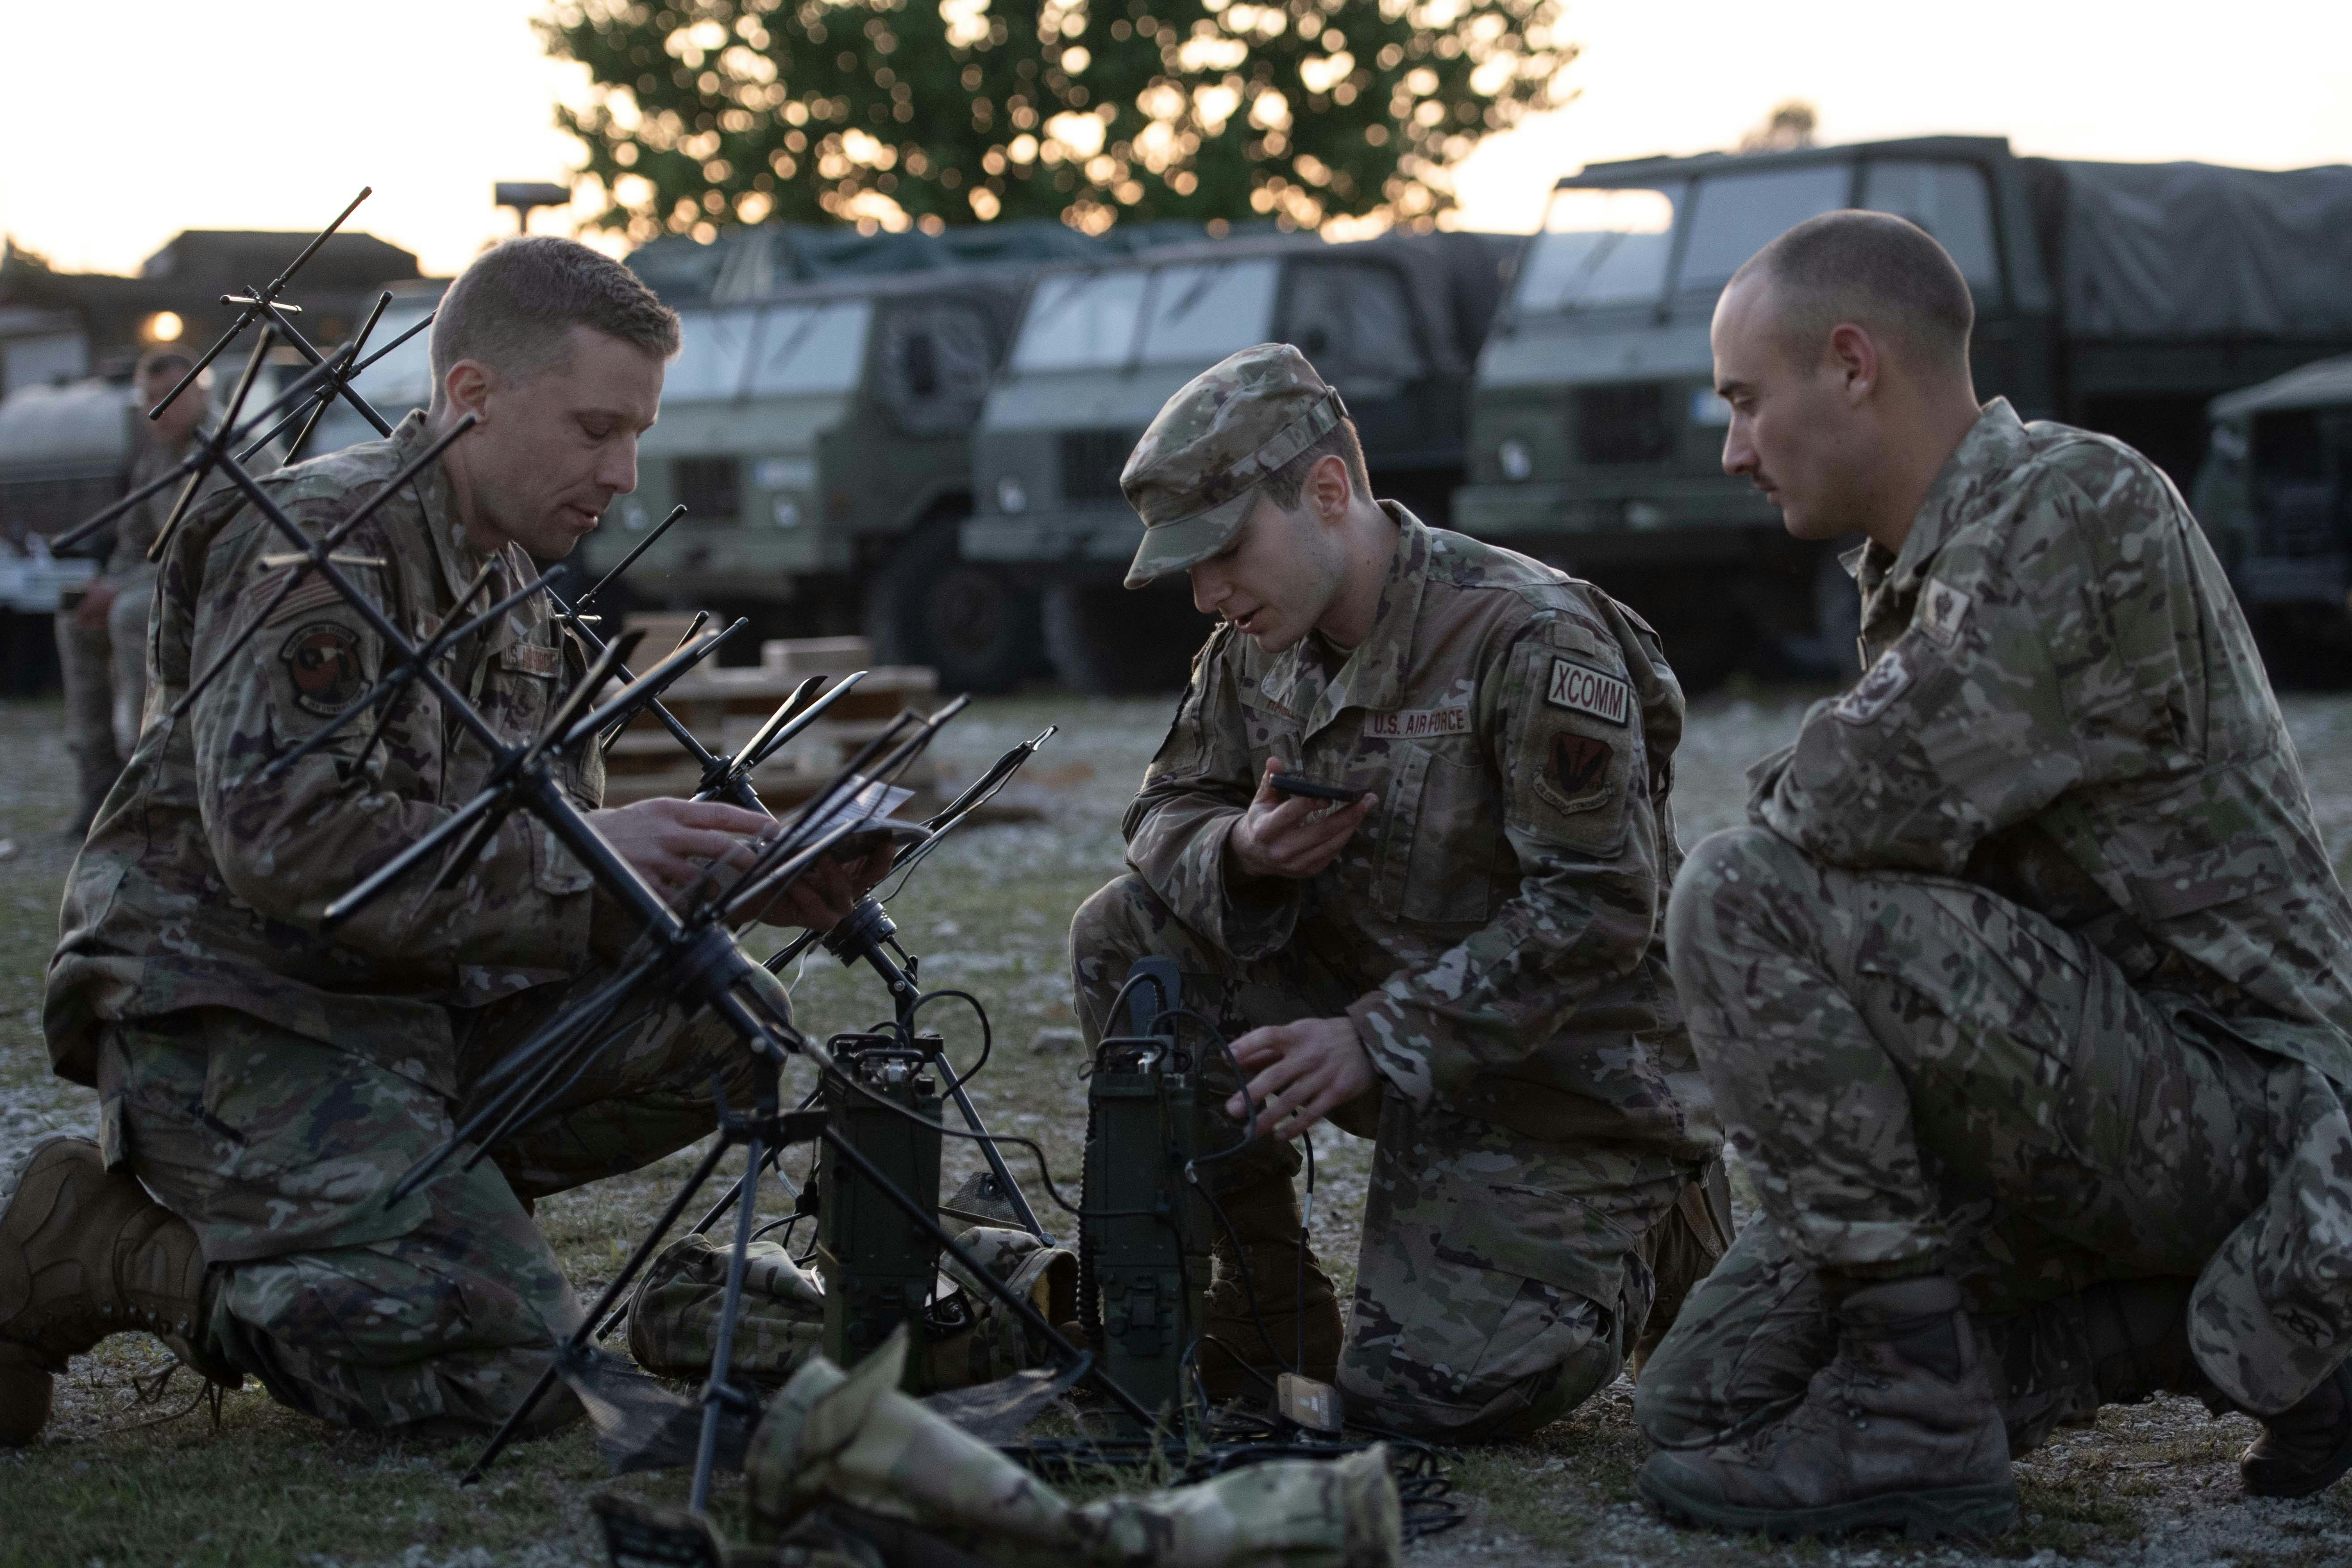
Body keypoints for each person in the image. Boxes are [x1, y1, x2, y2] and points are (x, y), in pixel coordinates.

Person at [4, 237, 885, 1446]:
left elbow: (517, 882)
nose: (624, 472)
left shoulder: (515, 593)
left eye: (635, 433)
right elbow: (287, 847)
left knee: (726, 1024)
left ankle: (414, 1208)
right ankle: (95, 1248)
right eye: (592, 428)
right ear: (472, 396)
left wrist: (724, 883)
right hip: (237, 1009)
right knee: (505, 1380)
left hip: (408, 1013)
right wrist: (596, 848)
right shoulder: (318, 545)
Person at [1633, 211, 2352, 1539]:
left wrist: (1800, 794)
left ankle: (1919, 1415)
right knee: (1700, 1398)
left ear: (1850, 362)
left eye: (1744, 401)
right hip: (2094, 1082)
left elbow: (1844, 805)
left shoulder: (2067, 500)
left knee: (1734, 892)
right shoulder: (1917, 565)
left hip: (2247, 1103)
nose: (1732, 448)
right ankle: (2197, 1330)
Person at [1068, 342, 1731, 1442]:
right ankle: (1265, 1310)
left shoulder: (1530, 636)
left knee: (1426, 1398)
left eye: (1225, 550)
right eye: (1186, 566)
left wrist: (1371, 1037)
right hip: (1374, 1028)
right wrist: (1238, 850)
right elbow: (1163, 809)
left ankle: (1658, 1217)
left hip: (1554, 1077)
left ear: (1326, 492)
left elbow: (1596, 910)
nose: (1205, 592)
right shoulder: (1253, 645)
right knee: (1125, 937)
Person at [54, 347, 224, 835]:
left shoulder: (226, 450)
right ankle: (99, 779)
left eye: (170, 396)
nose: (158, 409)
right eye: (150, 397)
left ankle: (147, 774)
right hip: (161, 584)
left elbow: (202, 554)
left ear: (201, 392)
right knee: (74, 618)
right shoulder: (157, 456)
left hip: (223, 588)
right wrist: (103, 585)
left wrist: (119, 592)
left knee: (129, 615)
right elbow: (133, 541)